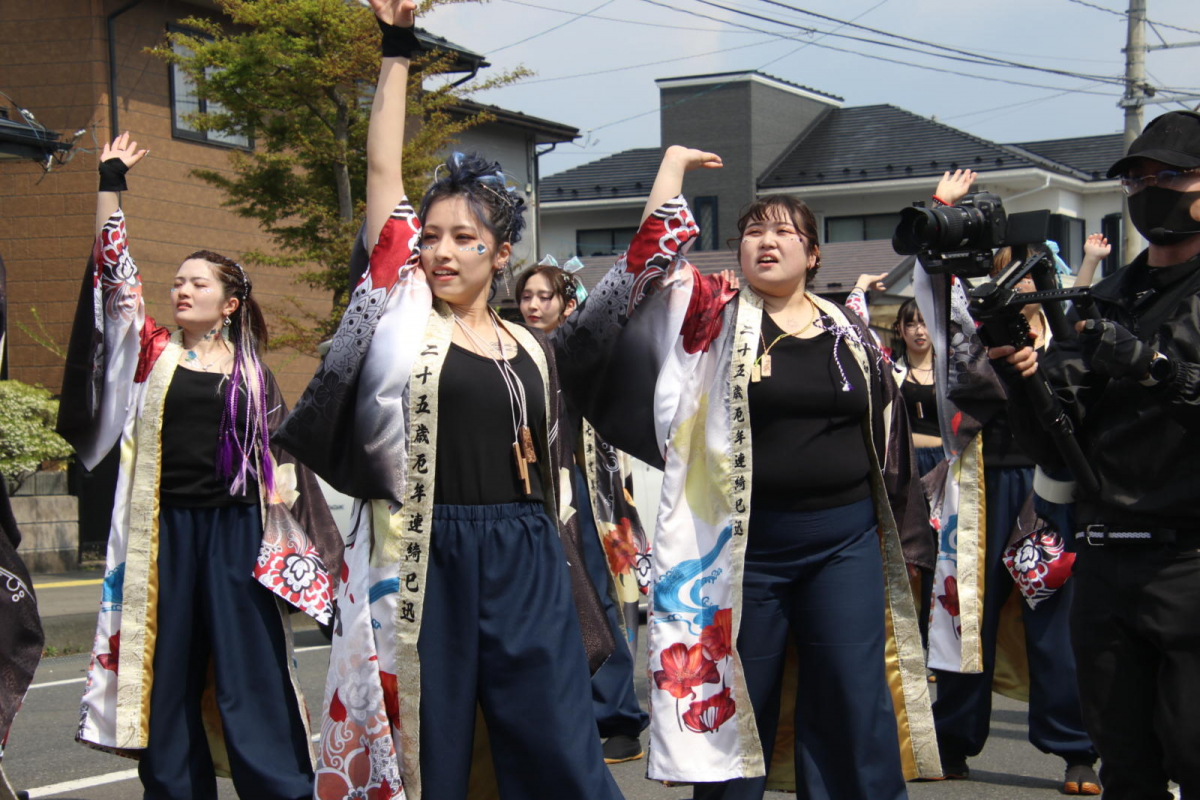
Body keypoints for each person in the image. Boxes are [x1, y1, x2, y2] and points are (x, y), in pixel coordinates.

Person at [273, 4, 629, 798]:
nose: (439, 251)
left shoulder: (532, 344)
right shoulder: (403, 321)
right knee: (428, 744)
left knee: (558, 740)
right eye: (430, 236)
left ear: (501, 254)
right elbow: (381, 177)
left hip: (528, 550)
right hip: (428, 553)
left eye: (463, 238)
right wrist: (397, 50)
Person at [557, 147, 940, 799]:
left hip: (845, 542)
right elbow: (650, 267)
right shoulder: (710, 316)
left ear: (814, 255)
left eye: (784, 230)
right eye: (754, 230)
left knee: (854, 700)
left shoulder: (853, 332)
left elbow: (892, 442)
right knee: (735, 705)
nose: (767, 240)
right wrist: (672, 170)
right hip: (745, 551)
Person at [54, 133, 341, 800]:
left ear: (230, 303)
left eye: (198, 282)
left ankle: (281, 788)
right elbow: (115, 280)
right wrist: (110, 183)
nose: (182, 289)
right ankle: (175, 790)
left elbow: (284, 469)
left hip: (239, 536)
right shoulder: (153, 355)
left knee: (252, 674)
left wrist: (304, 554)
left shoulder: (254, 375)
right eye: (178, 281)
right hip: (166, 540)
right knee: (168, 673)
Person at [991, 109, 1200, 800]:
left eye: (1170, 174)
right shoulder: (1104, 296)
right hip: (1105, 555)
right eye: (1138, 178)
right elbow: (1056, 440)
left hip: (1190, 558)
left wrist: (1151, 364)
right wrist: (1024, 380)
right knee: (1126, 765)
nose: (1151, 190)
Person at [516, 262, 652, 764]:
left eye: (544, 296)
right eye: (526, 295)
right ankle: (561, 716)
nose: (533, 305)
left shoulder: (576, 350)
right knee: (541, 608)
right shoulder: (509, 350)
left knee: (598, 601)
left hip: (582, 491)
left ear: (567, 304)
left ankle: (618, 716)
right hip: (527, 491)